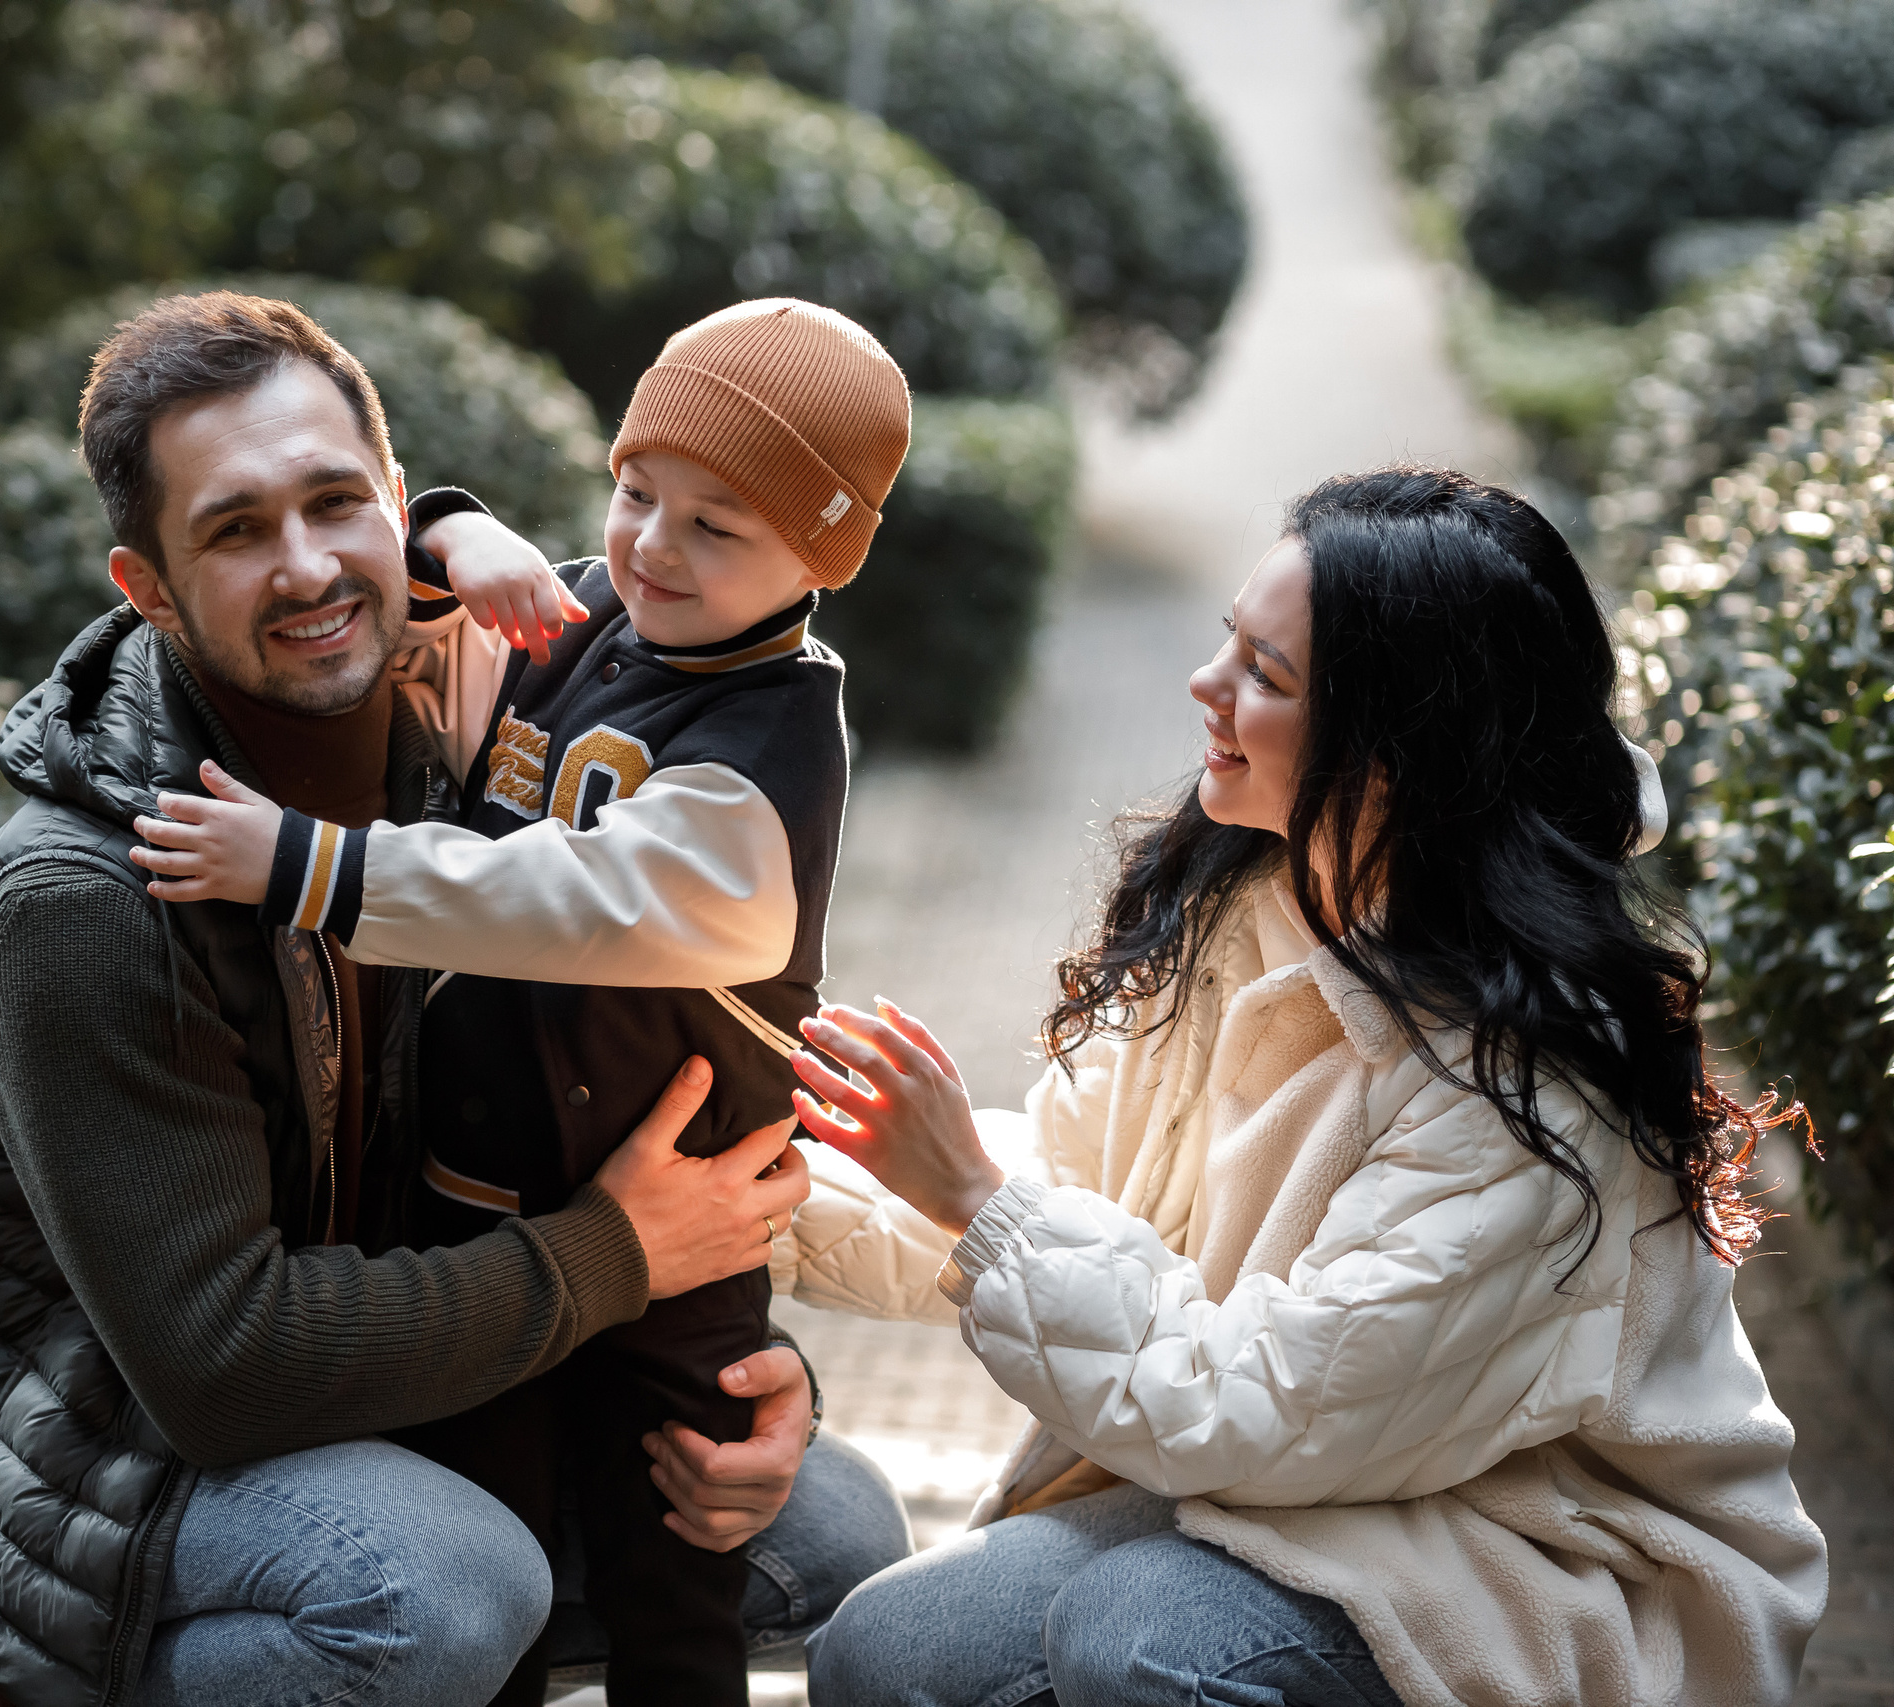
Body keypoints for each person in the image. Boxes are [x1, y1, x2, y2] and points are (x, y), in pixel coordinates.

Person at [0, 289, 910, 1707]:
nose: (306, 567)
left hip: (397, 1333)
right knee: (440, 1581)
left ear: (395, 505)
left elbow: (603, 990)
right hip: (81, 1442)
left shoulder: (450, 737)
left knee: (815, 1522)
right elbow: (219, 1365)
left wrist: (736, 1357)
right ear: (145, 586)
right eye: (233, 529)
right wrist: (612, 1259)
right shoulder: (92, 891)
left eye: (336, 503)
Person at [769, 467, 1830, 1706]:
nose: (1205, 686)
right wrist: (762, 1185)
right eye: (1231, 643)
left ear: (1399, 755)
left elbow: (1260, 1406)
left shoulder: (1531, 1079)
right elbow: (1080, 1193)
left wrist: (968, 1194)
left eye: (1266, 677)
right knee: (881, 1654)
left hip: (1549, 1556)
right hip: (1330, 1485)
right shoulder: (1258, 897)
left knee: (1142, 1640)